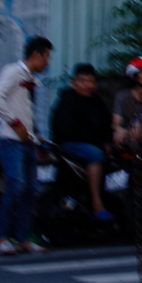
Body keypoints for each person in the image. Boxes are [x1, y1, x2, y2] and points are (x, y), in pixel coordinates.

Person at [0, 37, 52, 255]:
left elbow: (25, 109)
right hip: (10, 140)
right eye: (46, 57)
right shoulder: (13, 71)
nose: (47, 63)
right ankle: (2, 238)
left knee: (29, 191)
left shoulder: (31, 78)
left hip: (27, 142)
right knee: (15, 187)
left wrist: (35, 134)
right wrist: (14, 123)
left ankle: (23, 238)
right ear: (37, 55)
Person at [49, 63, 114, 222]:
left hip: (95, 143)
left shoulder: (97, 100)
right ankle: (97, 204)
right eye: (83, 81)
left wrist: (107, 140)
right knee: (95, 154)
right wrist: (98, 143)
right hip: (70, 145)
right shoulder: (67, 100)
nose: (88, 85)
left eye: (91, 81)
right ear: (74, 82)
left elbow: (107, 123)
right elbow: (67, 131)